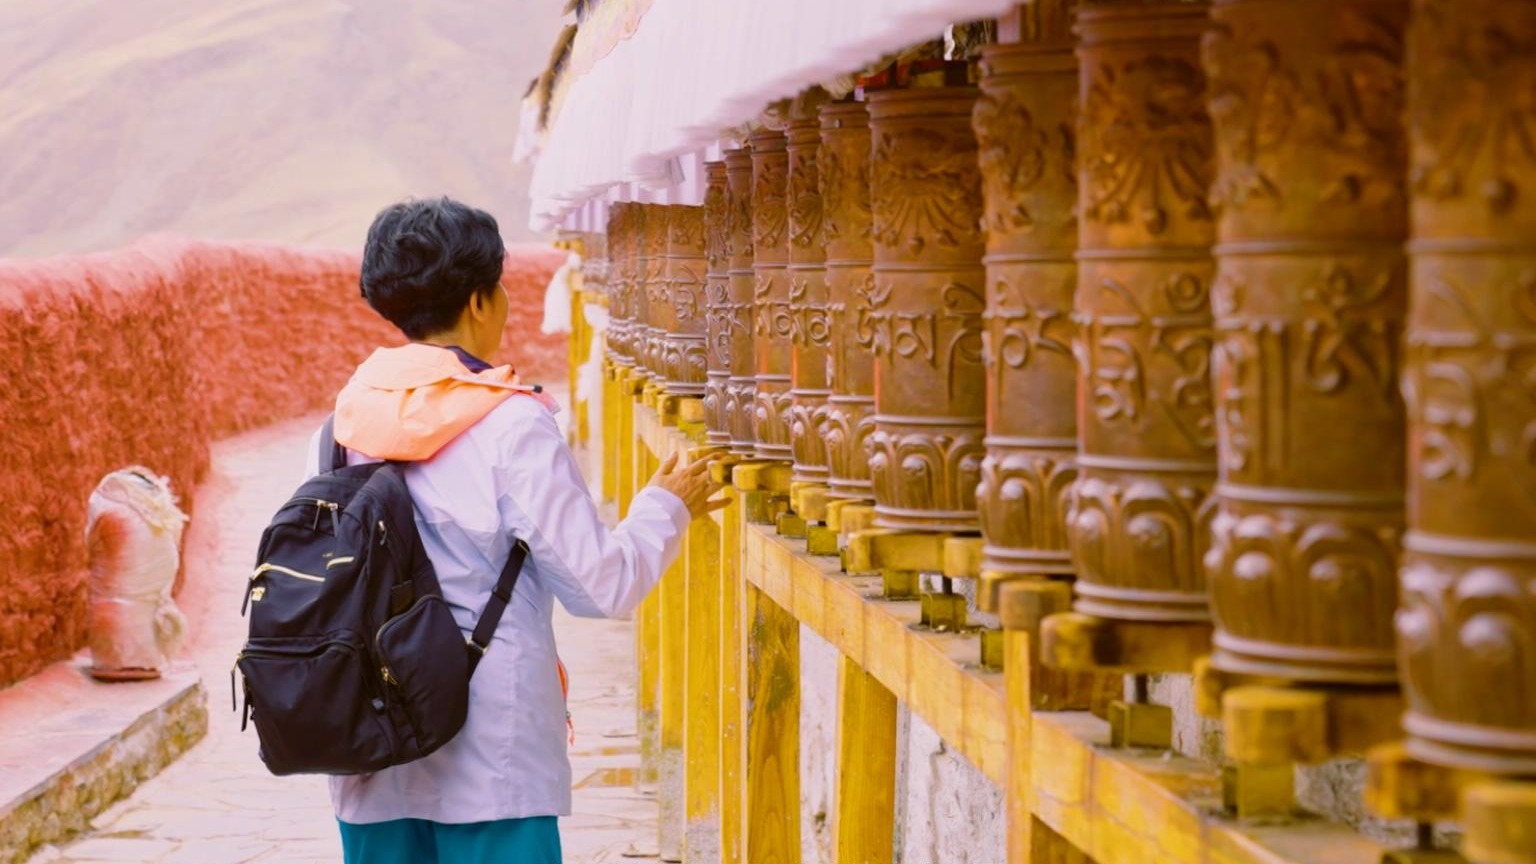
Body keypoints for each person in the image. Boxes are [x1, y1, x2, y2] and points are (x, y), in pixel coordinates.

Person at [309, 197, 725, 864]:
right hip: (491, 757)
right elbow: (599, 587)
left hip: (369, 749)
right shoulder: (510, 424)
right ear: (480, 302)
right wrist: (666, 506)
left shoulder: (341, 426)